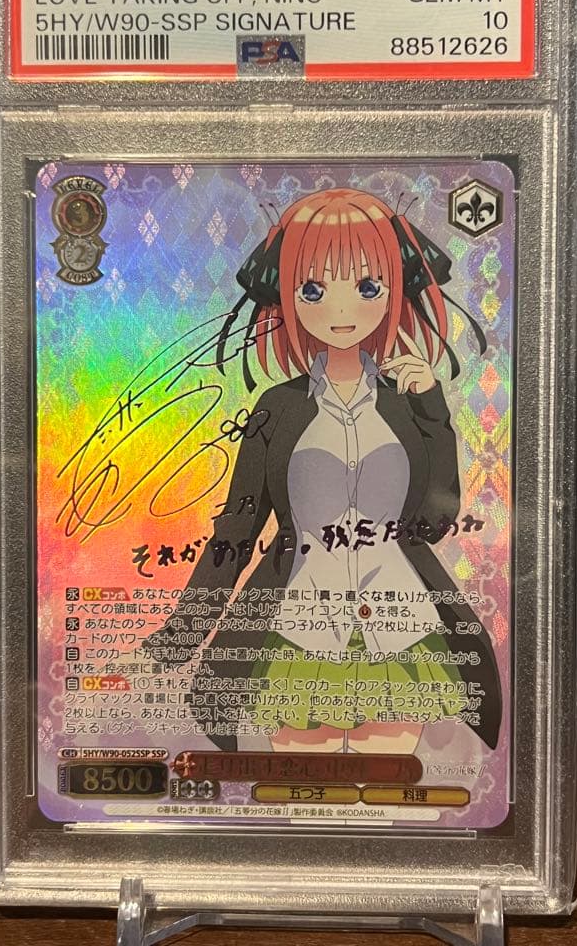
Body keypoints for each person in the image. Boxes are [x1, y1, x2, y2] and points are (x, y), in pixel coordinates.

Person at [144, 187, 501, 755]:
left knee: (388, 784)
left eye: (367, 288)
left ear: (393, 291)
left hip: (400, 626)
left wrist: (431, 407)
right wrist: (180, 637)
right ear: (287, 296)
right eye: (312, 290)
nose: (340, 311)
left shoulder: (408, 403)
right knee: (300, 781)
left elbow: (435, 520)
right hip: (299, 626)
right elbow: (236, 531)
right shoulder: (278, 408)